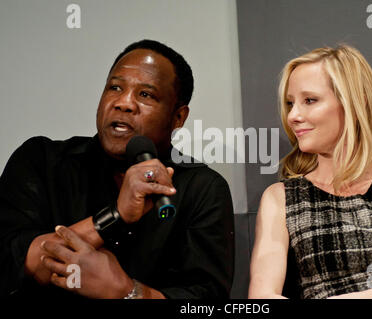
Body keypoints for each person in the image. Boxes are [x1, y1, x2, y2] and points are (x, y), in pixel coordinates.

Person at [0, 39, 235, 299]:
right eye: (115, 87)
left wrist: (126, 292)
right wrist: (117, 215)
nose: (124, 103)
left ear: (178, 117)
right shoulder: (42, 160)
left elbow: (204, 302)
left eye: (145, 95)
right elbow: (13, 261)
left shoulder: (201, 188)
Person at [248, 45, 372, 299]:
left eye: (310, 100)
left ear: (354, 102)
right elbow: (262, 297)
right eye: (290, 103)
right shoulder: (280, 197)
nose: (293, 115)